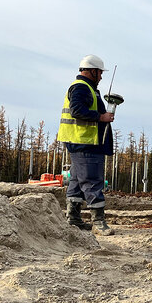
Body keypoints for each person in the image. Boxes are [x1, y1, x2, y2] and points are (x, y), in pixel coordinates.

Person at [57, 55, 116, 235]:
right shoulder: (82, 88)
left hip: (81, 142)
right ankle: (98, 222)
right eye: (99, 73)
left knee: (75, 181)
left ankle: (73, 219)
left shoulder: (86, 88)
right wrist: (101, 117)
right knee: (92, 180)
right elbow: (77, 110)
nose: (101, 77)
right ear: (92, 71)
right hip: (85, 142)